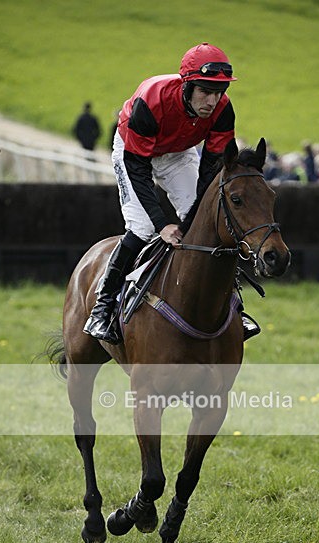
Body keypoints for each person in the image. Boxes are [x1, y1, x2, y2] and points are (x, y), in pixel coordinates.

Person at [84, 42, 237, 342]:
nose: (212, 100)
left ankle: (232, 307)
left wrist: (195, 214)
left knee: (206, 221)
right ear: (187, 85)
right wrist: (162, 224)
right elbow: (138, 170)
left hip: (178, 153)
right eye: (205, 91)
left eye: (218, 91)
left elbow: (210, 169)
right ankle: (101, 308)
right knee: (141, 227)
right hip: (133, 152)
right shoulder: (150, 101)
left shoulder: (222, 110)